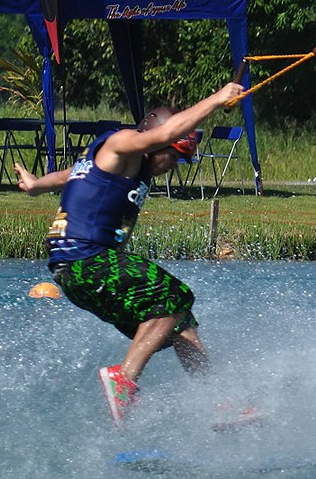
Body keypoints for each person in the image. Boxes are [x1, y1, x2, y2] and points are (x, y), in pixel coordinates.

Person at [14, 81, 245, 427]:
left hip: (76, 272)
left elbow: (69, 175)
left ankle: (219, 403)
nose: (175, 164)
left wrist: (35, 185)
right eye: (175, 154)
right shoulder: (121, 143)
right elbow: (164, 132)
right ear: (156, 140)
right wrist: (216, 99)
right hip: (87, 261)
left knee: (181, 324)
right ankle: (123, 380)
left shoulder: (115, 165)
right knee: (175, 296)